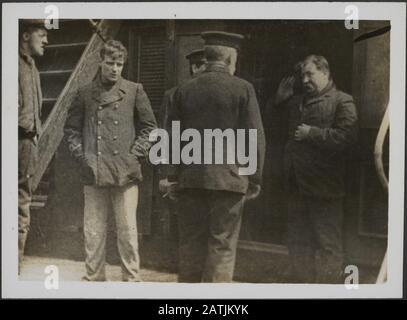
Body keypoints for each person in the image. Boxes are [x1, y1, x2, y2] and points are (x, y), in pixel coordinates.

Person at [166, 31, 266, 282]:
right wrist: (253, 178)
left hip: (190, 182)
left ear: (208, 58)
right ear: (231, 59)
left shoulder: (182, 90)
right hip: (229, 183)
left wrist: (172, 176)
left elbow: (170, 137)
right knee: (222, 248)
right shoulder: (243, 89)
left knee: (190, 245)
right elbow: (254, 137)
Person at [64, 40, 157, 281]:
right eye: (110, 63)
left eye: (119, 64)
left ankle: (131, 279)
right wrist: (82, 156)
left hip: (124, 172)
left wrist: (135, 153)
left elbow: (150, 128)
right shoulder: (84, 93)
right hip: (93, 172)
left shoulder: (134, 90)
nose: (115, 69)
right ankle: (94, 279)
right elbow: (71, 130)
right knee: (93, 232)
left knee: (127, 231)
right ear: (100, 62)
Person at [282, 55, 358, 283]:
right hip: (297, 186)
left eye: (310, 74)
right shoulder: (296, 101)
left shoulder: (342, 101)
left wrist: (312, 133)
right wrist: (279, 101)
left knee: (328, 244)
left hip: (325, 187)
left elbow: (348, 138)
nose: (304, 80)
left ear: (325, 73)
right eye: (302, 75)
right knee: (297, 241)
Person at [18, 19, 49, 272]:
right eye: (42, 35)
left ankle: (12, 265)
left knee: (22, 203)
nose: (46, 40)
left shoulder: (34, 69)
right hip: (15, 140)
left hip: (28, 144)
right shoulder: (12, 64)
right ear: (25, 36)